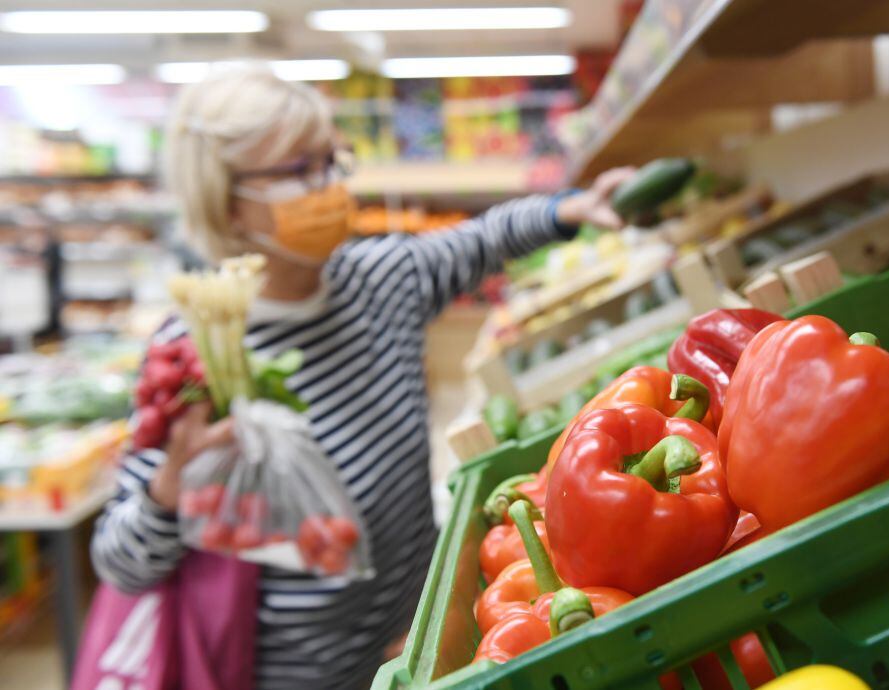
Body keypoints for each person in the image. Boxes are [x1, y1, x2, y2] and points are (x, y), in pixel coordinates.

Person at [90, 64, 633, 689]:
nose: (327, 188)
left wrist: (571, 208)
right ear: (225, 198)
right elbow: (121, 563)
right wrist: (169, 489)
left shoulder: (379, 278)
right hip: (293, 675)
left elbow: (480, 241)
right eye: (298, 171)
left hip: (423, 631)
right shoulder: (201, 349)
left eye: (331, 162)